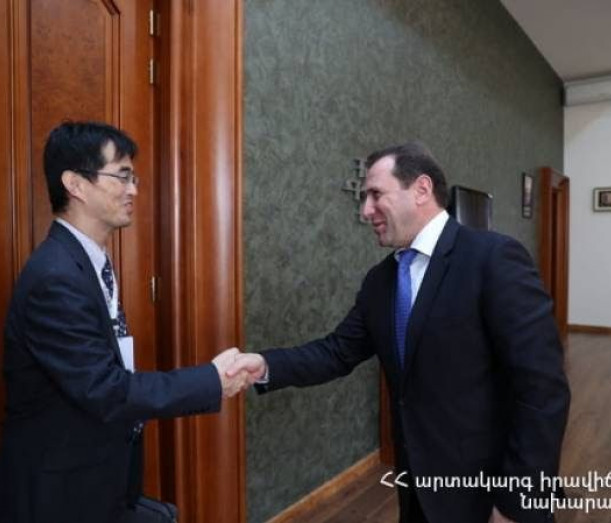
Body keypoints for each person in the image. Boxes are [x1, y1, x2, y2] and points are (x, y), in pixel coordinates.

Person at [229, 142, 571, 523]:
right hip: (417, 488)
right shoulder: (380, 281)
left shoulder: (493, 258)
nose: (366, 210)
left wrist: (519, 502)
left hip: (490, 494)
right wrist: (263, 365)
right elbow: (336, 352)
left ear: (421, 189)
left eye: (376, 194)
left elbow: (543, 387)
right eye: (365, 198)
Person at [0, 121, 249, 523]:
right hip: (57, 493)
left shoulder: (87, 262)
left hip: (97, 478)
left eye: (133, 178)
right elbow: (106, 389)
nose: (133, 190)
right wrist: (211, 380)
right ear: (76, 184)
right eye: (122, 176)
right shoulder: (55, 277)